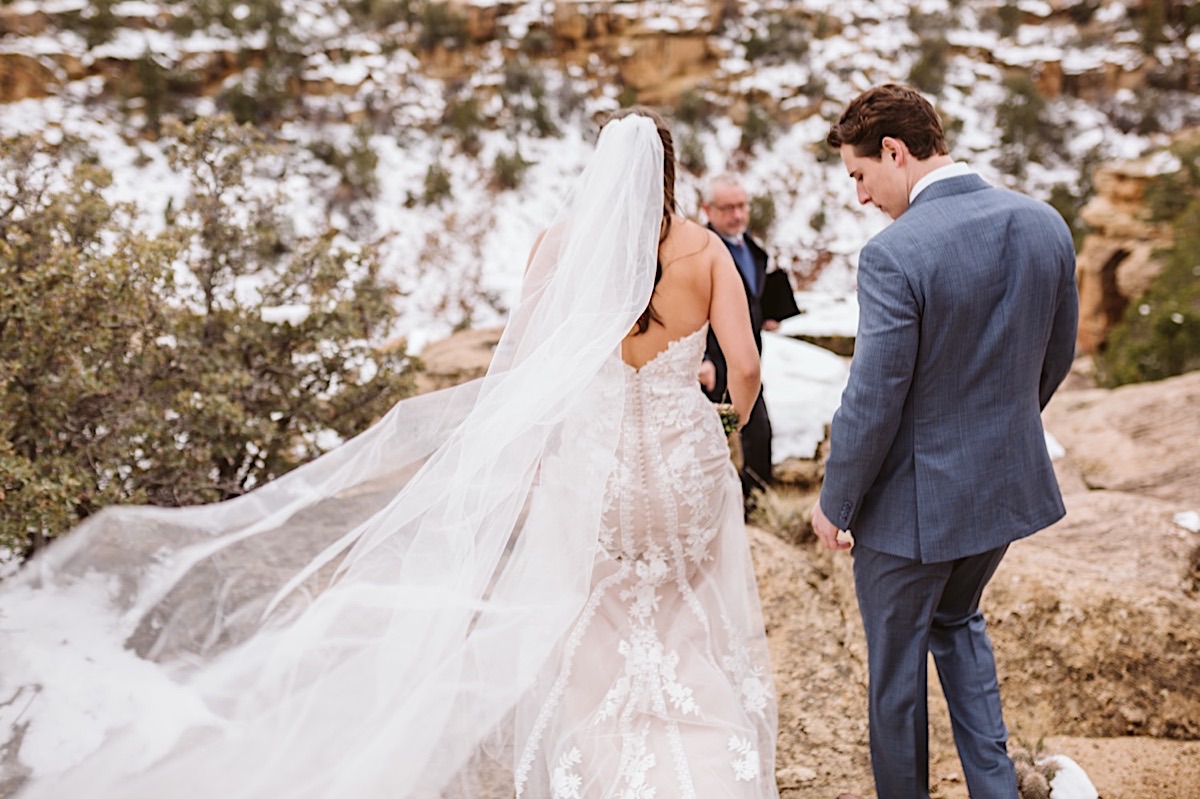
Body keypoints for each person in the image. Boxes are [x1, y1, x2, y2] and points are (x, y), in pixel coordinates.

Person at [3, 109, 779, 799]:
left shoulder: (558, 248)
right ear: (672, 177)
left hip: (593, 468)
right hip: (680, 467)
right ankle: (707, 758)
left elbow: (518, 371)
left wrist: (533, 450)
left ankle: (606, 770)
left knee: (593, 619)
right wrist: (720, 429)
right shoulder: (707, 252)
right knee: (685, 614)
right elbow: (742, 368)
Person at [810, 84, 1079, 799]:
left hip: (907, 515)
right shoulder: (1044, 222)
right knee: (959, 621)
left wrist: (835, 502)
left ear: (895, 151)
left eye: (861, 176)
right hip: (1000, 494)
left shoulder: (894, 255)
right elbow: (1055, 358)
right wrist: (998, 433)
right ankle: (995, 790)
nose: (862, 197)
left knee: (896, 679)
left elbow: (872, 399)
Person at [698, 173, 798, 507]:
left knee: (758, 435)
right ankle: (711, 508)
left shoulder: (751, 247)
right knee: (709, 443)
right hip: (708, 365)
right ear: (707, 209)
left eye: (742, 206)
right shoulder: (698, 249)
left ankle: (752, 507)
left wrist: (766, 313)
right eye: (728, 208)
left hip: (748, 360)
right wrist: (698, 360)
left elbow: (749, 296)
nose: (737, 215)